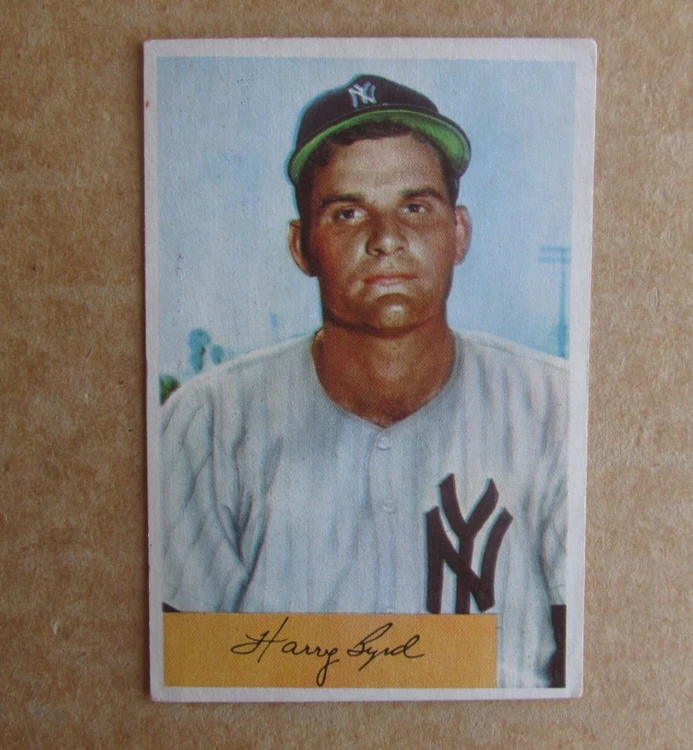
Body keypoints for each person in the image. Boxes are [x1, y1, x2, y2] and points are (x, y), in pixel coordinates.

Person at [160, 75, 570, 688]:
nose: (386, 239)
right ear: (302, 246)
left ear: (459, 232)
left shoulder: (554, 408)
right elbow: (172, 677)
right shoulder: (210, 422)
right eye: (347, 213)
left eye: (415, 207)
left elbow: (587, 672)